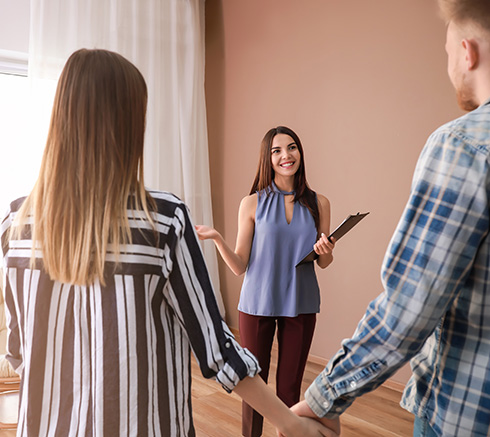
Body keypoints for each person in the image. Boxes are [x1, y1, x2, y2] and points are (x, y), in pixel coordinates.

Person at [0, 48, 339, 437]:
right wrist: (293, 425)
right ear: (129, 123)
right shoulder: (161, 220)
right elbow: (215, 348)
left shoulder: (16, 223)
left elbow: (21, 353)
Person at [288, 1, 490, 436]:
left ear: (467, 52)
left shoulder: (464, 146)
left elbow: (410, 307)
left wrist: (325, 396)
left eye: (447, 50)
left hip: (467, 416)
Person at [196, 126, 337, 437]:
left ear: (300, 152)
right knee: (254, 388)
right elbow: (239, 266)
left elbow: (324, 262)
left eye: (292, 148)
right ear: (268, 158)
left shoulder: (319, 203)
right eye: (277, 151)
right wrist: (218, 238)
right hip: (256, 303)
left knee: (290, 389)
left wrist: (326, 250)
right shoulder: (252, 203)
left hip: (301, 302)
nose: (286, 155)